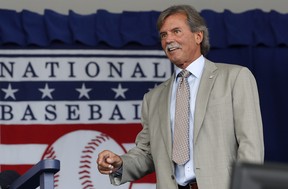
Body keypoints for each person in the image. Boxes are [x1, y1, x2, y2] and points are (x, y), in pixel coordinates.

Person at [97, 4, 264, 189]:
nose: (169, 40)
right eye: (163, 35)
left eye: (176, 31)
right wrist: (120, 163)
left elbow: (251, 147)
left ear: (198, 36)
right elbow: (147, 153)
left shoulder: (235, 78)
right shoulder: (153, 98)